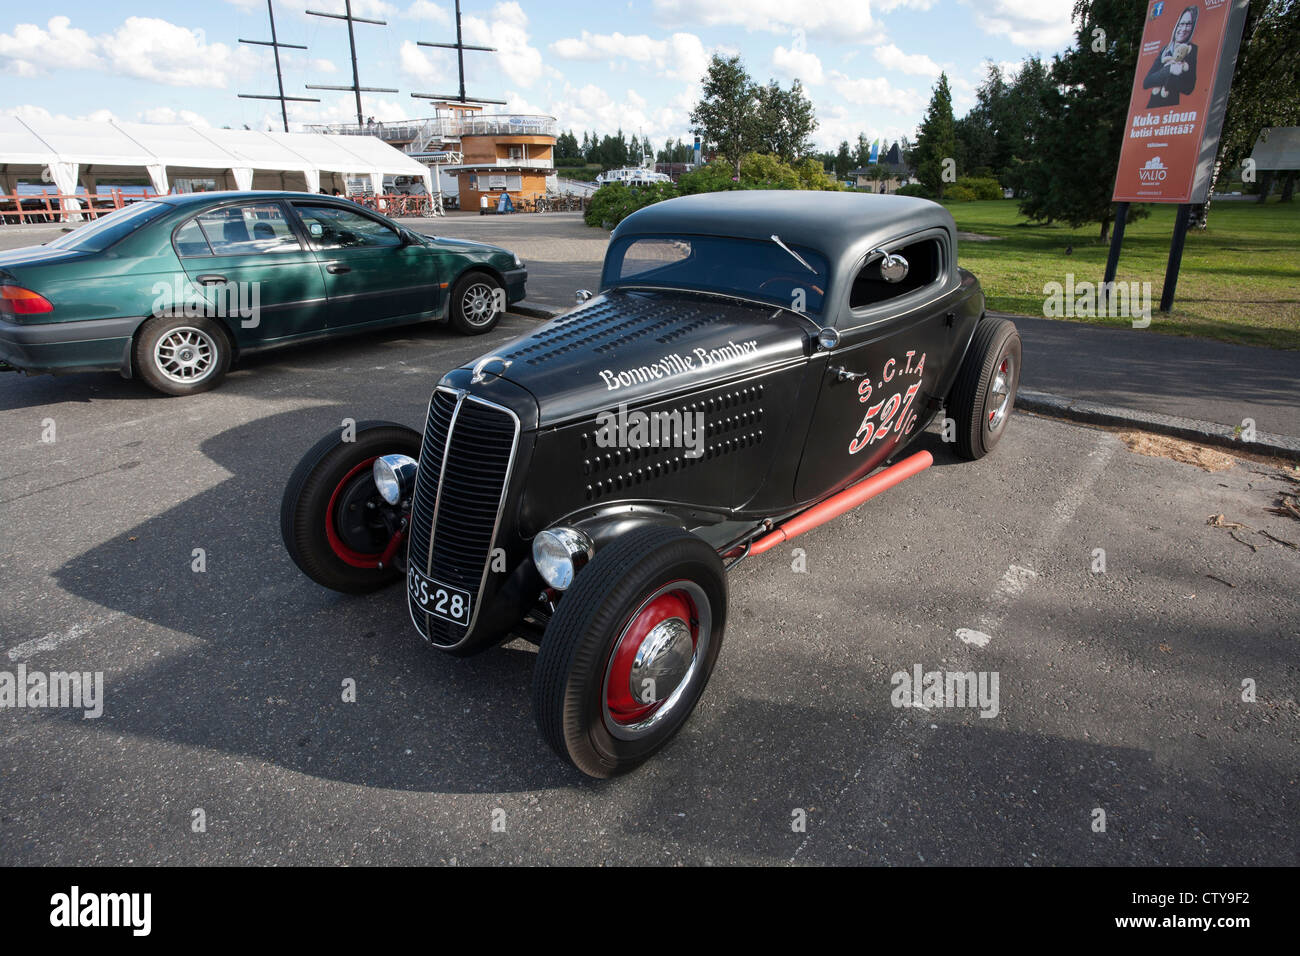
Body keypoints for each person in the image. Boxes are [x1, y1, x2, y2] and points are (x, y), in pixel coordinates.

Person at [1143, 5, 1198, 108]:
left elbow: (1188, 88)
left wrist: (1168, 78)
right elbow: (1147, 82)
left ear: (1193, 27)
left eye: (1188, 24)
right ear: (1177, 24)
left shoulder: (1191, 49)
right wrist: (1169, 70)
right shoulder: (1165, 49)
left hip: (1172, 112)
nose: (1183, 28)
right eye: (1181, 24)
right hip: (1150, 112)